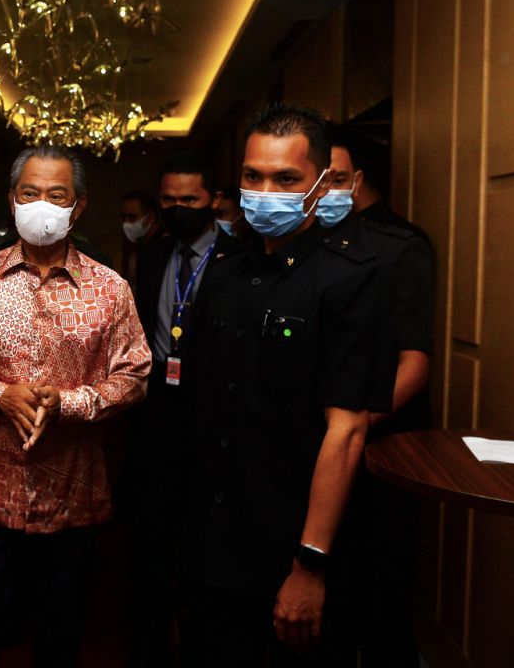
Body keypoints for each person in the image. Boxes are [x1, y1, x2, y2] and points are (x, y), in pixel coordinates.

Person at [179, 103, 398, 667]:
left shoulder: (353, 278)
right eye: (253, 177)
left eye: (286, 179)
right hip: (210, 541)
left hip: (287, 543)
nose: (264, 191)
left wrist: (309, 566)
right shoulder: (224, 268)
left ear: (321, 185)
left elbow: (346, 431)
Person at [0, 145, 152, 667]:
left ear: (79, 206)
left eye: (56, 195)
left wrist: (70, 402)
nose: (41, 206)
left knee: (61, 620)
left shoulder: (110, 289)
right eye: (30, 194)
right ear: (11, 200)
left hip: (70, 485)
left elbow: (135, 375)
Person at [315, 124, 434, 667]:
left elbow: (415, 360)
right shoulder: (299, 249)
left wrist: (355, 421)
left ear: (356, 180)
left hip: (378, 451)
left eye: (338, 180)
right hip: (317, 452)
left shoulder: (398, 249)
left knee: (382, 602)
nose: (328, 192)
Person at [124, 151, 242, 667]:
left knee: (207, 537)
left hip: (215, 414)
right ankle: (149, 638)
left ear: (212, 200)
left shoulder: (240, 258)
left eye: (189, 200)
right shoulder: (152, 255)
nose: (178, 208)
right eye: (168, 199)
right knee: (152, 532)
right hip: (155, 411)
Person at [119, 189, 162, 286]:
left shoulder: (164, 249)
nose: (126, 223)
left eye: (132, 217)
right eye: (123, 218)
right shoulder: (138, 246)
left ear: (150, 217)